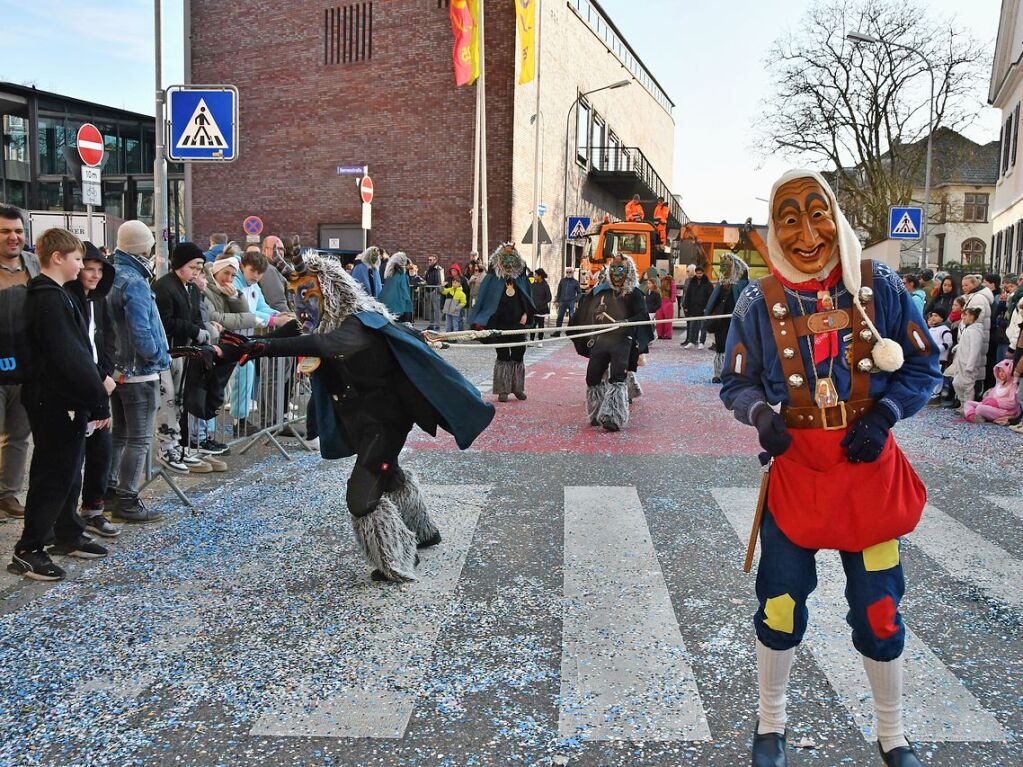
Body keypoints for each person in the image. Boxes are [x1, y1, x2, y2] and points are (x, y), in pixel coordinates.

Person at [720, 169, 939, 767]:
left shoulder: (881, 285)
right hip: (797, 482)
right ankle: (771, 726)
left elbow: (925, 366)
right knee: (780, 601)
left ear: (836, 216)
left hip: (868, 480)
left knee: (879, 608)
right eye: (789, 218)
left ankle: (892, 735)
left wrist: (885, 414)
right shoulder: (755, 301)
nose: (807, 232)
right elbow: (734, 382)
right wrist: (761, 415)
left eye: (817, 213)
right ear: (774, 228)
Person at [216, 250, 495, 582]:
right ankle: (423, 531)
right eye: (297, 297)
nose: (302, 306)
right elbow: (284, 336)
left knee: (361, 498)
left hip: (385, 420)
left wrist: (264, 349)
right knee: (387, 473)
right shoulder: (321, 322)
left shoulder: (356, 325)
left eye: (309, 295)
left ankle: (397, 557)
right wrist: (230, 349)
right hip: (360, 418)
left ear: (330, 292)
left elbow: (325, 343)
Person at [8, 229, 111, 581]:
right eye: (78, 259)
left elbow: (79, 351)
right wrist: (97, 398)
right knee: (53, 473)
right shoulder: (48, 298)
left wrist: (93, 393)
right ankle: (30, 548)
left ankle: (66, 532)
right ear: (57, 258)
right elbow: (69, 356)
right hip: (54, 400)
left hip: (63, 398)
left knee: (68, 470)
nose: (82, 266)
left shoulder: (58, 295)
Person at [106, 220, 170, 523]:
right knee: (140, 438)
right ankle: (127, 499)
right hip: (139, 372)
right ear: (144, 247)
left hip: (117, 370)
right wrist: (159, 356)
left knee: (119, 434)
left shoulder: (111, 274)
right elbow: (142, 329)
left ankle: (107, 490)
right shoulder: (134, 280)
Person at [65, 241, 120, 538]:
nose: (94, 275)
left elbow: (108, 337)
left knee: (102, 448)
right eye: (89, 268)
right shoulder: (68, 299)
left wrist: (107, 372)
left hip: (100, 384)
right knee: (75, 455)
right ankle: (68, 517)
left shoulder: (100, 300)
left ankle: (94, 509)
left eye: (99, 270)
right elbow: (76, 347)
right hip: (80, 385)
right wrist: (99, 377)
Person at [153, 242, 214, 474]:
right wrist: (193, 330)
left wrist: (200, 332)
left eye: (200, 267)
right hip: (169, 352)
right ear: (179, 265)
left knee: (180, 400)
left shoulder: (191, 288)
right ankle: (167, 446)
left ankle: (177, 444)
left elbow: (196, 315)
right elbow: (165, 320)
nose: (197, 272)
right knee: (168, 402)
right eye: (193, 266)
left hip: (185, 351)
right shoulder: (164, 287)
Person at [573, 255, 647, 431]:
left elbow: (642, 317)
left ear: (627, 271)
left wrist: (627, 322)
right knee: (592, 376)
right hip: (603, 339)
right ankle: (597, 412)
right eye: (612, 270)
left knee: (617, 377)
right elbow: (589, 313)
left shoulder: (635, 294)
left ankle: (614, 416)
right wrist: (596, 314)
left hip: (623, 340)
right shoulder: (602, 291)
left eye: (620, 270)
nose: (616, 274)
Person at [0, 206, 38, 520]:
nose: (13, 237)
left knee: (18, 436)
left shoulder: (33, 265)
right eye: (5, 232)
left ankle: (8, 495)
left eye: (18, 231)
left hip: (26, 368)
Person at [468, 244, 535, 402]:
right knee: (503, 354)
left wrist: (526, 313)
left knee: (519, 354)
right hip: (500, 322)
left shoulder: (521, 277)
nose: (508, 260)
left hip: (518, 322)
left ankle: (517, 387)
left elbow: (527, 297)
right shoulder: (493, 277)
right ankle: (503, 389)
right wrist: (481, 321)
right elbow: (485, 298)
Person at [705, 252, 750, 383]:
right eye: (722, 266)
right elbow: (714, 300)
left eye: (726, 266)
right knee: (720, 346)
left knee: (735, 346)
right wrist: (710, 314)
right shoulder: (722, 283)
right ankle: (718, 373)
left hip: (735, 320)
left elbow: (744, 299)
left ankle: (733, 373)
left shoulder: (741, 283)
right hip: (721, 320)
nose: (723, 269)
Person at [945, 307, 984, 411]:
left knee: (967, 385)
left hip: (968, 364)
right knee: (957, 383)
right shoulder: (968, 329)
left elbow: (975, 349)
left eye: (965, 315)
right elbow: (964, 343)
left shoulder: (976, 331)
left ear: (972, 316)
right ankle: (962, 404)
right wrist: (957, 348)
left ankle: (968, 407)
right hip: (960, 361)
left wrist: (970, 366)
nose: (963, 317)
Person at [963, 359, 1020, 424]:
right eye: (999, 371)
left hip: (1005, 411)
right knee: (968, 403)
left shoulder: (1013, 385)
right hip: (992, 407)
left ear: (1009, 372)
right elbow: (991, 397)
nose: (1001, 373)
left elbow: (1013, 403)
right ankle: (972, 416)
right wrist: (987, 400)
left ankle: (979, 414)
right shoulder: (999, 384)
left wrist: (997, 403)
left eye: (1003, 371)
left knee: (980, 408)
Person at [926, 308, 954, 401]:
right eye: (932, 315)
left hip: (940, 358)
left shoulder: (944, 329)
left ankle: (936, 394)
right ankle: (930, 392)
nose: (933, 317)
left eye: (936, 316)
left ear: (942, 318)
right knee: (930, 374)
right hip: (930, 357)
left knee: (938, 375)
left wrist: (938, 349)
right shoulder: (931, 329)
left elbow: (949, 342)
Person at [258, 236, 292, 312]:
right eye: (276, 249)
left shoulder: (279, 268)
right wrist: (291, 320)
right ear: (264, 251)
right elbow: (277, 303)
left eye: (282, 249)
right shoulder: (269, 270)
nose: (279, 252)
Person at [379, 251, 415, 322]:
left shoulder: (391, 275)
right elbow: (405, 293)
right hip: (399, 307)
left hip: (389, 306)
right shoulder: (402, 276)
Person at [681, 265, 712, 348]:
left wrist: (708, 308)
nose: (699, 275)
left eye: (700, 273)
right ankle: (691, 341)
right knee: (692, 325)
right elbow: (688, 295)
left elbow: (710, 296)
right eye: (697, 273)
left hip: (703, 307)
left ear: (703, 273)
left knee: (703, 326)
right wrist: (686, 306)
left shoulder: (707, 283)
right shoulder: (692, 282)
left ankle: (702, 342)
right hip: (693, 307)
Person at [554, 267, 582, 336]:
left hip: (571, 301)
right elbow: (559, 291)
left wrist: (576, 300)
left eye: (570, 272)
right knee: (560, 317)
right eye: (567, 272)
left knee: (571, 317)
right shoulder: (562, 281)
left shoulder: (575, 282)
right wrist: (557, 300)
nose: (568, 273)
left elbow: (579, 292)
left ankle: (570, 332)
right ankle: (557, 332)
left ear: (572, 273)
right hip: (562, 301)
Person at [530, 268, 552, 343]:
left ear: (540, 276)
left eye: (536, 275)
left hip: (542, 309)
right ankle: (531, 340)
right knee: (533, 325)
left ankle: (540, 340)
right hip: (533, 308)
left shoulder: (545, 285)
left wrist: (541, 303)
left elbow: (549, 297)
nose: (534, 276)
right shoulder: (533, 284)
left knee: (541, 325)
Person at [424, 255, 444, 330]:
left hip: (435, 291)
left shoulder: (438, 269)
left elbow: (440, 281)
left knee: (436, 310)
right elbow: (425, 279)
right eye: (428, 260)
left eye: (431, 260)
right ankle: (431, 325)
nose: (429, 261)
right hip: (429, 291)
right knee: (431, 309)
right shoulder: (429, 269)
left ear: (435, 260)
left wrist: (436, 290)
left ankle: (437, 325)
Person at [654, 273, 676, 340]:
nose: (660, 276)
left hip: (667, 301)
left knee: (668, 319)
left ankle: (668, 334)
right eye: (659, 275)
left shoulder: (670, 280)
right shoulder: (657, 281)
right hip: (659, 301)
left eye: (661, 275)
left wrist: (672, 300)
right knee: (659, 318)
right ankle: (660, 334)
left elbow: (673, 290)